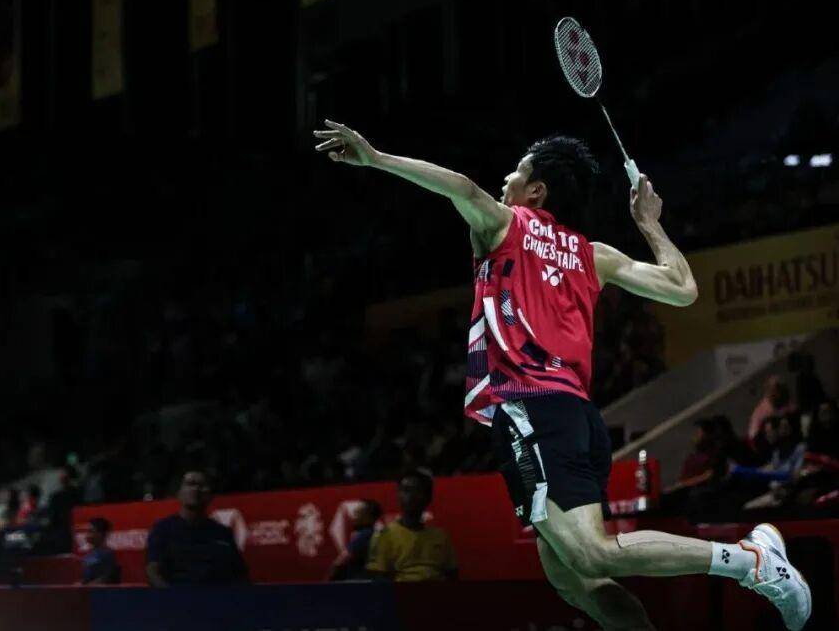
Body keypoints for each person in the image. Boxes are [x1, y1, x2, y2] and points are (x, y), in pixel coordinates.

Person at [314, 122, 811, 630]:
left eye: (515, 173)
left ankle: (750, 560)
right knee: (573, 579)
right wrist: (649, 223)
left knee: (592, 555)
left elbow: (462, 188)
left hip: (532, 408)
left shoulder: (505, 227)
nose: (504, 181)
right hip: (577, 418)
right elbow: (682, 288)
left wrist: (376, 158)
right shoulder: (592, 255)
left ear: (536, 191)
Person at [145, 470, 247, 587]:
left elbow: (241, 575)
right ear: (179, 493)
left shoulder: (223, 533)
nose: (196, 489)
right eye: (190, 484)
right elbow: (152, 571)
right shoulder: (162, 529)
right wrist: (170, 595)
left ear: (210, 496)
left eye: (202, 485)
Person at [366, 471, 457, 582]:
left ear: (428, 498)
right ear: (398, 496)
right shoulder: (384, 535)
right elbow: (378, 577)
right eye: (406, 490)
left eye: (417, 491)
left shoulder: (441, 536)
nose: (411, 496)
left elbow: (452, 573)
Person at [327, 499, 382, 581]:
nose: (354, 516)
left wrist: (331, 578)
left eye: (359, 512)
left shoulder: (364, 536)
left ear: (369, 516)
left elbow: (340, 562)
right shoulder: (373, 535)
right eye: (355, 512)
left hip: (356, 583)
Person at [80, 517, 121, 584]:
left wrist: (86, 587)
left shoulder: (108, 555)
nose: (87, 535)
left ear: (100, 534)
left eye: (90, 531)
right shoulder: (88, 555)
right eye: (87, 531)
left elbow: (106, 579)